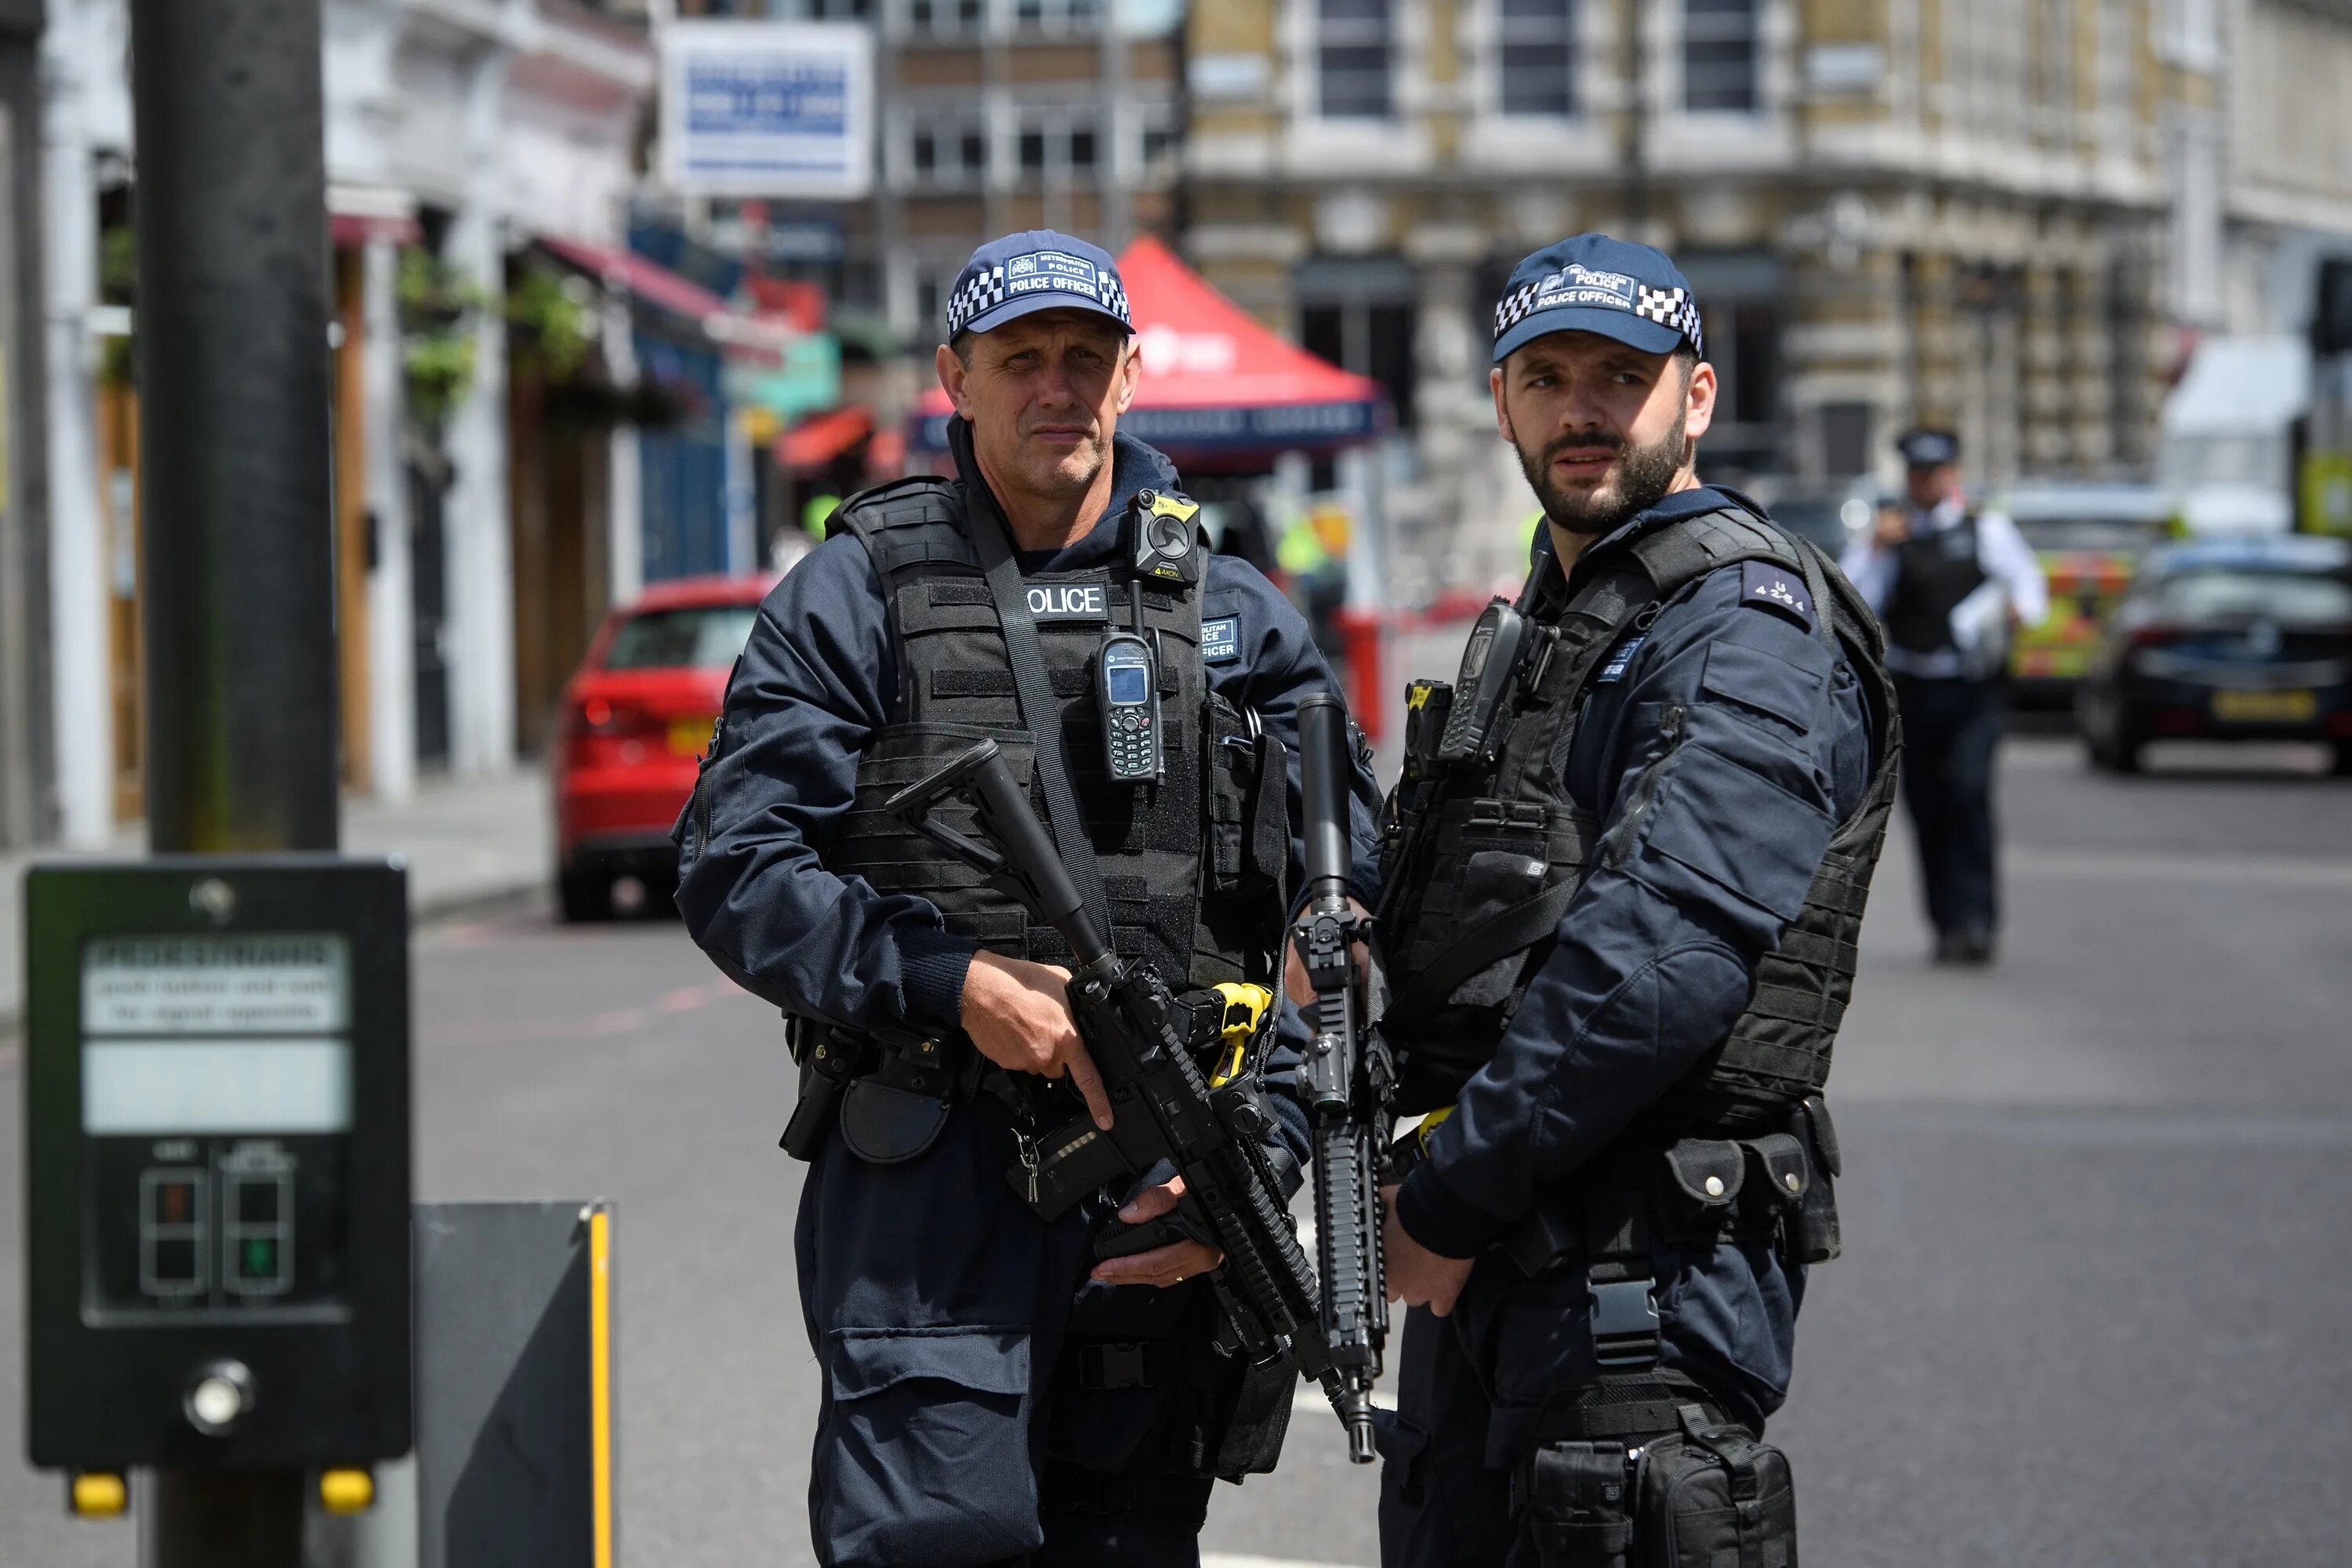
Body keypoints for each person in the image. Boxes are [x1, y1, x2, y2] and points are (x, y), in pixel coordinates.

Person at [673, 230, 1384, 1568]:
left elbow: (1335, 935)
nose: (1057, 387)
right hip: (932, 1175)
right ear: (955, 375)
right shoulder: (855, 594)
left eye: (1085, 359)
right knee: (941, 1545)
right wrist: (953, 984)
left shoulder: (1234, 613)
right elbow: (738, 870)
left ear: (1128, 379)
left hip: (1167, 1182)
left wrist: (1258, 1152)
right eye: (1022, 360)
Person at [1370, 234, 1900, 1566]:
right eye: (1546, 377)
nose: (1584, 409)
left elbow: (1657, 964)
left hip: (1639, 1287)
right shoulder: (1563, 621)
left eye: (1623, 375)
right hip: (1511, 1256)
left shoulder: (1745, 625)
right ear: (1502, 402)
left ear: (1697, 397)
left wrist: (1444, 1203)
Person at [1839, 428, 2047, 964]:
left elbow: (2028, 584)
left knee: (1970, 794)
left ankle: (1978, 919)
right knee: (1927, 806)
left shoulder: (1986, 528)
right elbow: (1852, 598)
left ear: (1951, 474)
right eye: (1915, 474)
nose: (1924, 483)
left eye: (1933, 473)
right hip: (1913, 687)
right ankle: (1946, 924)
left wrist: (2020, 610)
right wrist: (1873, 545)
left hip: (1972, 685)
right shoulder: (1891, 534)